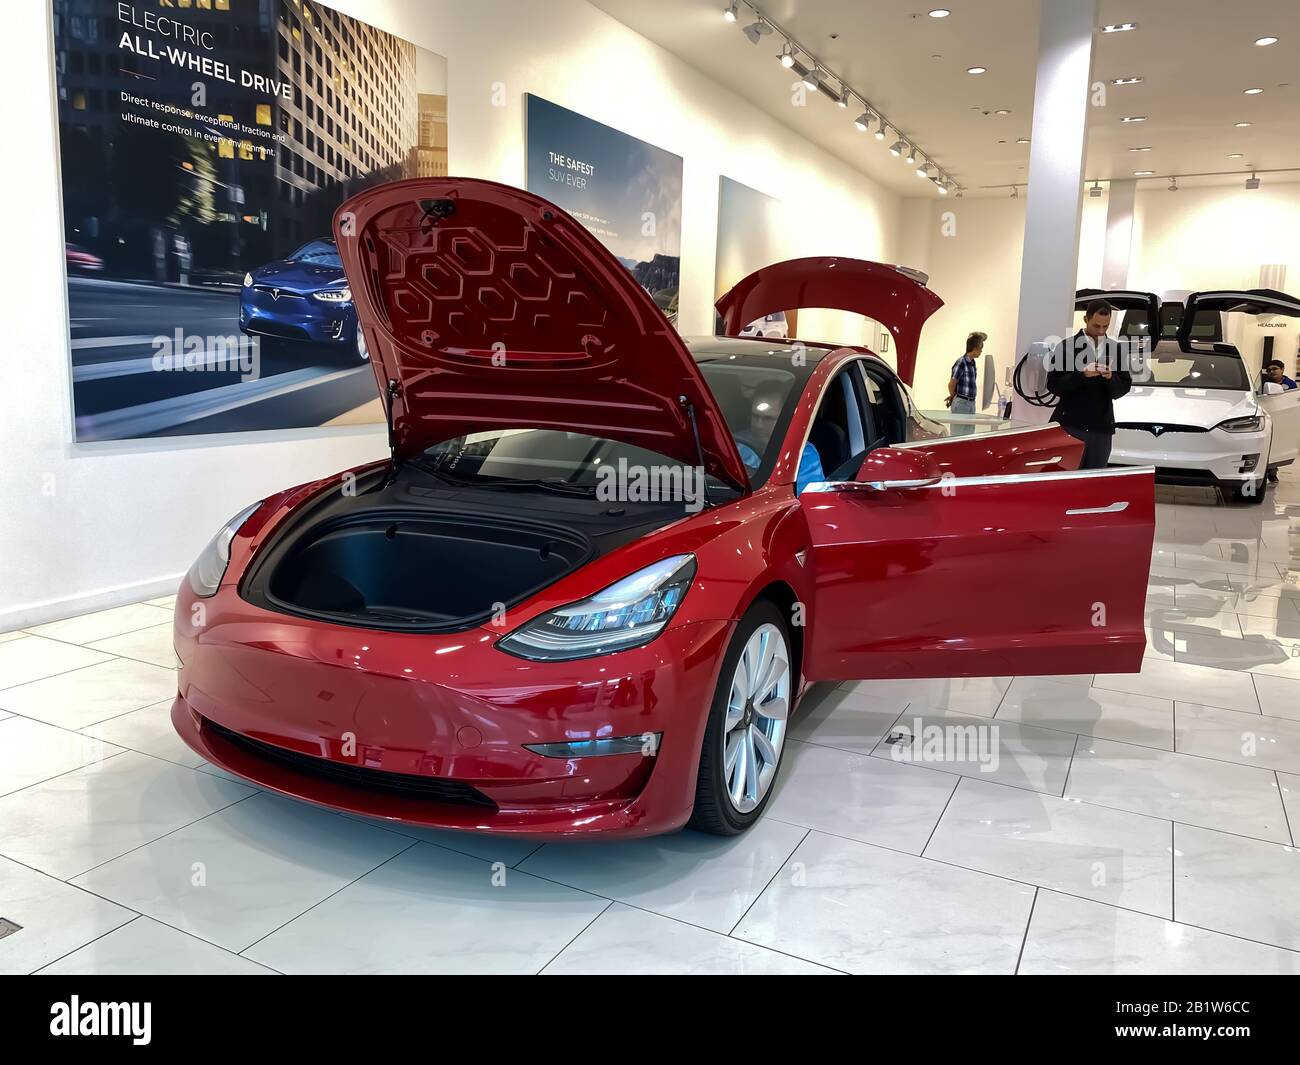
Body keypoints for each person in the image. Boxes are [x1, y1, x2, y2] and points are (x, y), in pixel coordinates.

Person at [1045, 299, 1132, 469]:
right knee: (1065, 480)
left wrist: (1110, 377)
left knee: (1094, 484)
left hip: (1101, 428)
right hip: (1070, 425)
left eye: (1105, 327)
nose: (1101, 331)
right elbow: (1053, 385)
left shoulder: (1116, 349)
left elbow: (1122, 388)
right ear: (1086, 319)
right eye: (1096, 326)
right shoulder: (1067, 346)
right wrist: (1082, 374)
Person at [736, 385, 824, 494]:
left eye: (768, 418)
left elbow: (805, 501)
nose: (758, 425)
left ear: (785, 419)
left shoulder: (803, 453)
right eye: (755, 416)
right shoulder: (735, 444)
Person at [946, 332, 984, 436]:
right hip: (962, 403)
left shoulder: (972, 363)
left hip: (971, 403)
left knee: (969, 435)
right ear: (975, 348)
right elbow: (952, 383)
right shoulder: (961, 362)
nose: (981, 351)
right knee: (957, 436)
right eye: (980, 348)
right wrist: (953, 396)